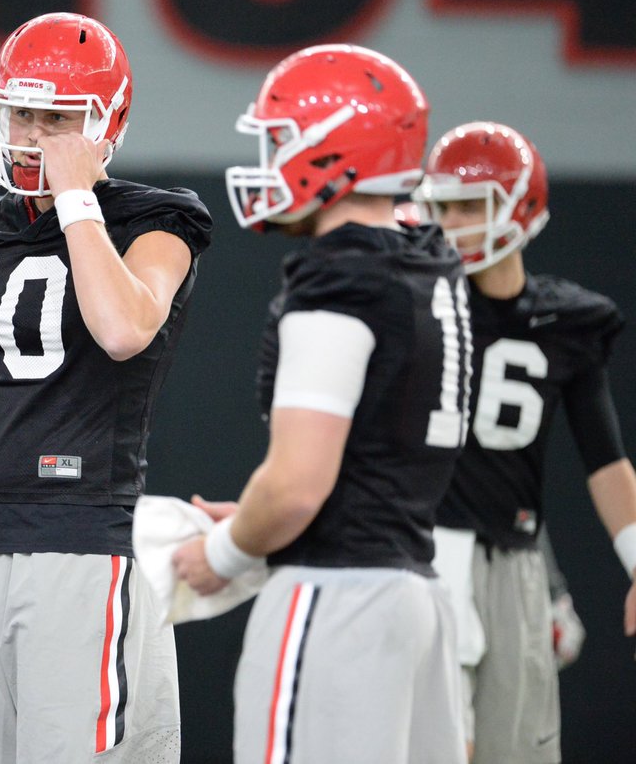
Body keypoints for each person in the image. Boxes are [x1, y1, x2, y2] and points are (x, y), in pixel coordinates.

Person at [0, 12, 212, 763]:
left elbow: (124, 328)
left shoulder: (157, 221)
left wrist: (76, 201)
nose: (34, 135)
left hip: (86, 541)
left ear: (107, 122)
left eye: (58, 118)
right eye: (22, 113)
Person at [171, 44, 469, 764]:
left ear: (333, 149)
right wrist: (260, 519)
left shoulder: (341, 278)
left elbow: (298, 486)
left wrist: (225, 552)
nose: (270, 162)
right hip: (416, 593)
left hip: (338, 596)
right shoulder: (429, 262)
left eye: (281, 141)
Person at [413, 120, 636, 763]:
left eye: (469, 206)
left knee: (518, 752)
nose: (452, 224)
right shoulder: (415, 304)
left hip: (515, 558)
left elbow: (606, 462)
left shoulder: (567, 321)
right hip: (420, 549)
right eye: (443, 207)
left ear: (521, 205)